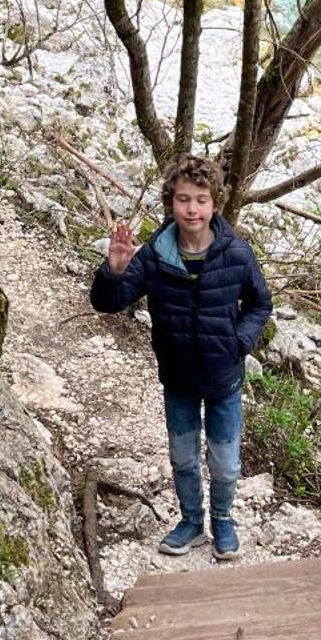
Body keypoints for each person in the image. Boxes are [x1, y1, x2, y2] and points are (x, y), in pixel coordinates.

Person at [89, 154, 272, 561]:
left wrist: (237, 343)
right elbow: (110, 302)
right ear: (171, 201)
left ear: (215, 203)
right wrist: (115, 269)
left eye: (201, 200)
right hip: (177, 377)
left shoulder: (236, 254)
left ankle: (223, 520)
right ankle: (191, 520)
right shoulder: (155, 254)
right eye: (184, 199)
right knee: (183, 458)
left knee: (224, 464)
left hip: (224, 377)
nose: (192, 209)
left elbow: (260, 303)